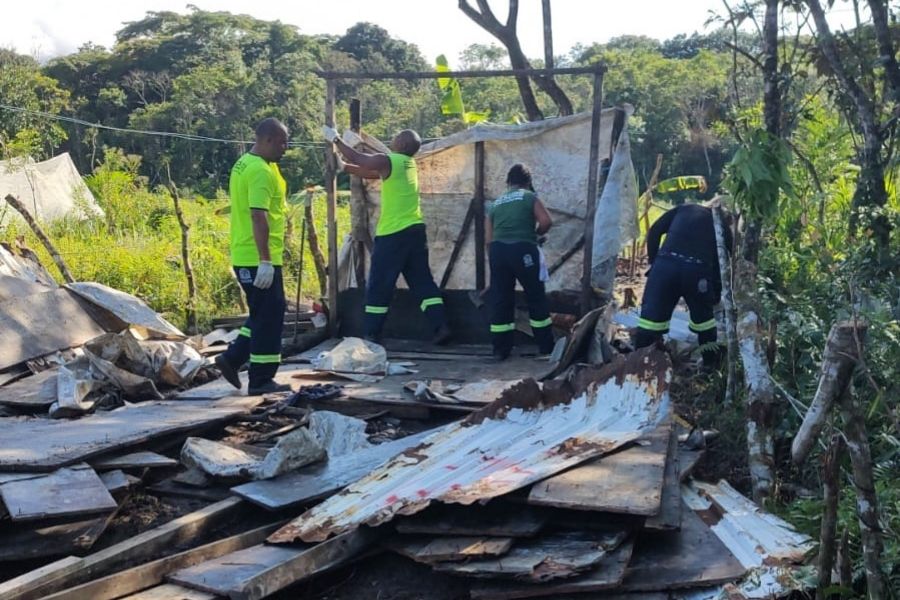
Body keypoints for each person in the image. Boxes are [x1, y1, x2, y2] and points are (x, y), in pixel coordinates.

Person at [322, 125, 451, 345]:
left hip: (394, 233)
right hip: (415, 232)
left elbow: (361, 159)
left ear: (402, 145)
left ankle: (372, 333)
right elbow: (370, 172)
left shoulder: (390, 160)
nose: (393, 139)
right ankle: (441, 326)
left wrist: (336, 139)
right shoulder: (407, 165)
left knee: (379, 283)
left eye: (397, 137)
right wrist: (345, 167)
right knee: (422, 282)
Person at [215, 117, 292, 395]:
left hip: (246, 252)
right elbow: (258, 215)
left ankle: (232, 358)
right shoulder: (260, 171)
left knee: (263, 312)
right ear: (268, 140)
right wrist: (265, 261)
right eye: (282, 142)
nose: (286, 148)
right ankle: (261, 379)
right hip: (257, 255)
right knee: (270, 317)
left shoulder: (244, 163)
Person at [635, 201, 732, 368]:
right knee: (705, 323)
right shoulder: (723, 227)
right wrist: (715, 292)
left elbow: (655, 231)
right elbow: (721, 263)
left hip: (665, 267)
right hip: (697, 272)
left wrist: (653, 263)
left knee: (649, 321)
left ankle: (639, 366)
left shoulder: (685, 208)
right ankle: (710, 367)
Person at [485, 164, 555, 361]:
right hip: (523, 250)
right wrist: (535, 235)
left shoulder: (496, 203)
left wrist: (496, 260)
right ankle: (545, 347)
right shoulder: (529, 197)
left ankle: (500, 350)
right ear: (528, 182)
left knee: (501, 298)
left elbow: (488, 239)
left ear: (508, 182)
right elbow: (546, 221)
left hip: (498, 251)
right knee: (535, 296)